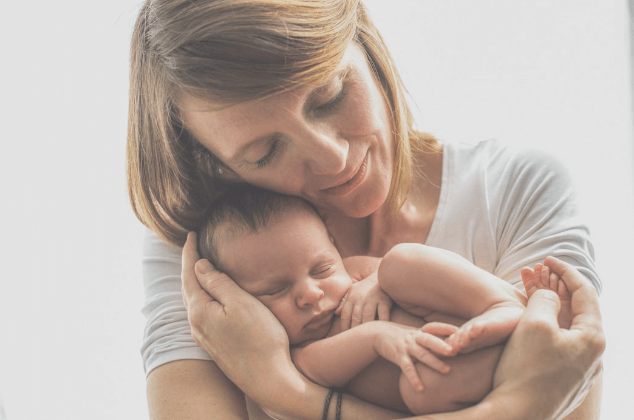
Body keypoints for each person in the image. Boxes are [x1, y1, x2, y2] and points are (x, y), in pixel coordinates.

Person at [127, 0, 605, 418]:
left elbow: (563, 390)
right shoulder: (210, 252)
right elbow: (539, 395)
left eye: (331, 95)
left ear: (365, 41)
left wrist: (287, 393)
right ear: (215, 162)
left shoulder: (512, 189)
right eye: (264, 152)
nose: (332, 156)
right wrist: (515, 407)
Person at [196, 185, 536, 414]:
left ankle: (501, 305)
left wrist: (378, 281)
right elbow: (316, 369)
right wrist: (376, 337)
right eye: (275, 291)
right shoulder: (293, 356)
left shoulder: (355, 271)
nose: (311, 293)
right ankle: (515, 346)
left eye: (322, 268)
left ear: (334, 246)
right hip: (460, 376)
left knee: (400, 263)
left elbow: (421, 278)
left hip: (467, 321)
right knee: (423, 387)